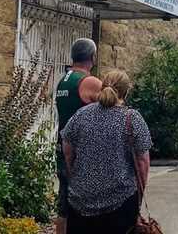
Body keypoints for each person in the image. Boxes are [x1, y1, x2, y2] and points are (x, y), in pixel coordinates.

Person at [61, 69, 152, 234]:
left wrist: (75, 177)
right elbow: (143, 163)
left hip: (80, 202)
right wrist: (139, 196)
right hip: (120, 203)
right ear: (126, 91)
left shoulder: (81, 114)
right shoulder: (132, 119)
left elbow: (67, 149)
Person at [54, 38, 102, 234]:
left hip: (62, 146)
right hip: (81, 153)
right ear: (92, 57)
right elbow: (115, 104)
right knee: (89, 206)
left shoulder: (64, 80)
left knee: (64, 204)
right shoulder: (89, 81)